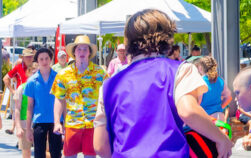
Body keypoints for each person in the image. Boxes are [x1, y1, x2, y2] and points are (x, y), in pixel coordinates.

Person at [92, 9, 232, 158]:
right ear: (167, 36)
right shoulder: (180, 70)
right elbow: (189, 111)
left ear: (129, 41)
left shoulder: (109, 85)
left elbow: (100, 145)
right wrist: (221, 139)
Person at [53, 35, 106, 158]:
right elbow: (59, 99)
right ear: (74, 52)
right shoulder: (63, 74)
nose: (82, 52)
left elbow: (107, 96)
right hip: (72, 123)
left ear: (90, 52)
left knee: (90, 156)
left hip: (93, 124)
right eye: (79, 49)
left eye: (85, 49)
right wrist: (56, 122)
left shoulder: (100, 73)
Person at [24, 47, 62, 158]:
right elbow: (29, 107)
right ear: (37, 61)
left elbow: (63, 101)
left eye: (47, 58)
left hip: (56, 121)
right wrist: (28, 129)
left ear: (51, 59)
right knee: (39, 154)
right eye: (41, 59)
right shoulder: (31, 81)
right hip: (39, 121)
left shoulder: (59, 78)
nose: (44, 61)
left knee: (56, 153)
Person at [195, 56, 232, 120]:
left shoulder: (200, 81)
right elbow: (229, 97)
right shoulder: (220, 80)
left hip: (205, 118)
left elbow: (198, 101)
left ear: (200, 68)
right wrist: (219, 108)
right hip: (219, 117)